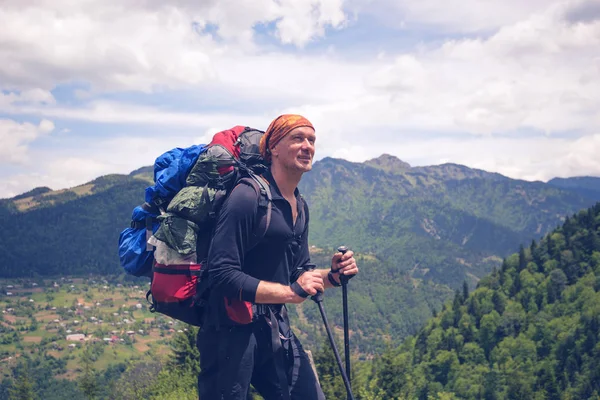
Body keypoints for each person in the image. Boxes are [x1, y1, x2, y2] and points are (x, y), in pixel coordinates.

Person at [197, 114, 359, 400]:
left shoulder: (298, 204)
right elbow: (221, 273)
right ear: (272, 147)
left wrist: (332, 277)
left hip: (272, 327)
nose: (307, 146)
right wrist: (288, 292)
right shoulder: (248, 197)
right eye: (297, 138)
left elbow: (299, 271)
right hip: (229, 332)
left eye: (311, 140)